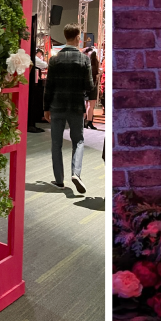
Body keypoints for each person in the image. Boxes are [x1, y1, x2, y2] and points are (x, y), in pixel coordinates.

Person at [44, 24, 94, 194]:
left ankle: (59, 181)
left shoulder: (54, 60)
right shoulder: (84, 59)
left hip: (57, 105)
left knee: (56, 143)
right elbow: (89, 86)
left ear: (65, 36)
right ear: (77, 37)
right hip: (75, 105)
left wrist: (46, 107)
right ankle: (76, 174)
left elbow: (48, 86)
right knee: (78, 141)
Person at [27, 49, 48, 134]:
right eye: (41, 54)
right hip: (33, 83)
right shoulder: (35, 58)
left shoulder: (33, 58)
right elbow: (45, 65)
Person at [84, 47, 100, 130]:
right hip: (92, 86)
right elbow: (96, 77)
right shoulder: (94, 66)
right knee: (91, 105)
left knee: (87, 104)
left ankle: (85, 121)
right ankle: (89, 121)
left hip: (86, 87)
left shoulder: (87, 64)